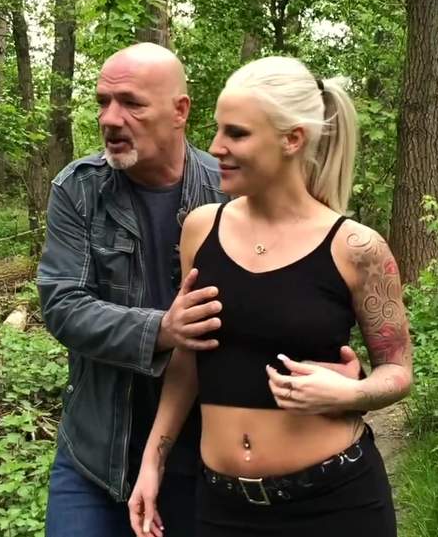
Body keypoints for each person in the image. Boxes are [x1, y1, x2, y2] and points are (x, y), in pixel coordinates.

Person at [37, 44, 364, 537]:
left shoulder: (233, 183)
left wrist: (346, 378)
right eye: (103, 102)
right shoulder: (79, 189)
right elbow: (63, 304)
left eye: (131, 103)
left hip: (206, 457)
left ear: (180, 111)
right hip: (99, 448)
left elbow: (300, 292)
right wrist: (161, 329)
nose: (110, 119)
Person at [127, 56, 414, 537]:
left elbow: (399, 372)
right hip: (223, 509)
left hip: (336, 506)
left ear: (292, 139)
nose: (215, 147)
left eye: (237, 133)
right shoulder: (201, 229)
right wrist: (153, 462)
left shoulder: (356, 248)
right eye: (217, 130)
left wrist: (352, 393)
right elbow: (187, 360)